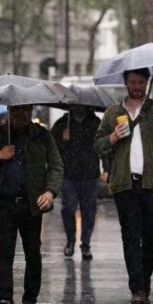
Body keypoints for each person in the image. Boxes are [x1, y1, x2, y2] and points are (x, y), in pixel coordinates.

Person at [0, 105, 63, 304]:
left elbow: (56, 165)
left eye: (24, 111)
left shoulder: (41, 135)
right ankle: (5, 300)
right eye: (15, 111)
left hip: (32, 205)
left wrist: (50, 191)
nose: (20, 115)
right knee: (5, 252)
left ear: (31, 111)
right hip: (3, 204)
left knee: (33, 253)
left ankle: (29, 300)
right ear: (8, 112)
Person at [94, 67, 153, 304]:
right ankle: (137, 288)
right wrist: (113, 138)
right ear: (125, 83)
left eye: (141, 81)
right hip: (124, 183)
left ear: (148, 81)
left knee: (151, 236)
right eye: (133, 82)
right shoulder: (112, 113)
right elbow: (98, 145)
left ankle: (144, 281)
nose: (137, 86)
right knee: (130, 236)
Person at [51, 105, 102, 260]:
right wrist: (63, 139)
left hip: (90, 173)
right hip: (68, 174)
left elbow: (103, 146)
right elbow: (53, 148)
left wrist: (106, 169)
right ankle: (70, 240)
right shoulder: (62, 123)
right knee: (68, 207)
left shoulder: (95, 123)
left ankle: (85, 244)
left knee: (89, 210)